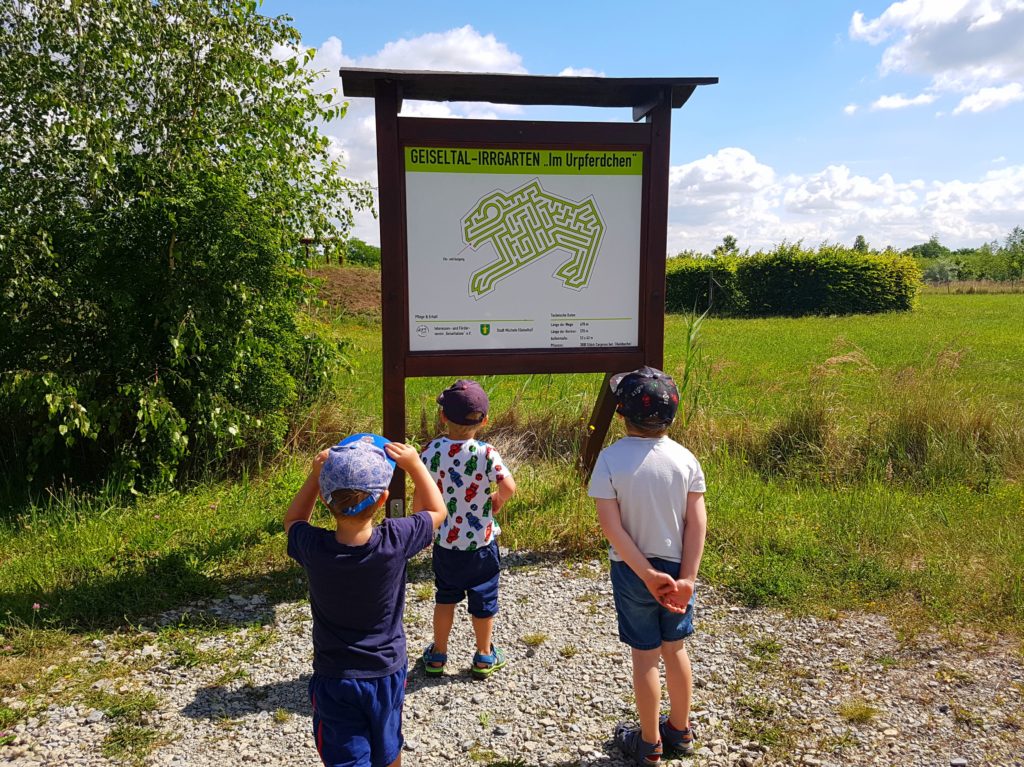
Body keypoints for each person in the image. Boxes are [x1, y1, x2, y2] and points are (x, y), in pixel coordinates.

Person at [284, 433, 447, 767]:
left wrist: (315, 476)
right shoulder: (396, 539)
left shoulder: (313, 547)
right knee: (388, 746)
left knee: (345, 755)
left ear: (326, 501)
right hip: (386, 670)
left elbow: (293, 521)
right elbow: (436, 510)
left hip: (335, 675)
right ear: (385, 497)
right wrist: (415, 466)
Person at [588, 366, 708, 764]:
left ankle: (649, 742)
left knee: (645, 655)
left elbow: (612, 528)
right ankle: (681, 728)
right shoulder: (685, 459)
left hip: (632, 571)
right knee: (675, 649)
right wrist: (687, 577)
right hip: (677, 572)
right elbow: (696, 522)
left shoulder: (609, 460)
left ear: (621, 414)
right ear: (672, 415)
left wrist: (645, 573)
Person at [418, 379, 517, 679]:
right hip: (481, 545)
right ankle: (484, 655)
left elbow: (420, 493)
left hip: (446, 545)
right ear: (484, 421)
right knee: (484, 601)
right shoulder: (487, 453)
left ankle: (438, 654)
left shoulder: (431, 450)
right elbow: (509, 486)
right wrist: (497, 500)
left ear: (443, 417)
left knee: (445, 597)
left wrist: (419, 524)